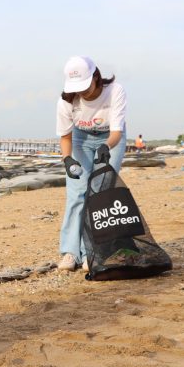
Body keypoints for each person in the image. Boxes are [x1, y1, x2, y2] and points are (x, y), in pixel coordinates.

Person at [56, 56, 127, 272]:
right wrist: (68, 160)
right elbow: (66, 137)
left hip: (110, 138)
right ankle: (70, 252)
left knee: (101, 192)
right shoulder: (66, 101)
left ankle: (94, 251)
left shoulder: (115, 91)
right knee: (77, 192)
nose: (82, 92)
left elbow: (116, 131)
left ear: (96, 76)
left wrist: (106, 147)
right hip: (80, 139)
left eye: (85, 86)